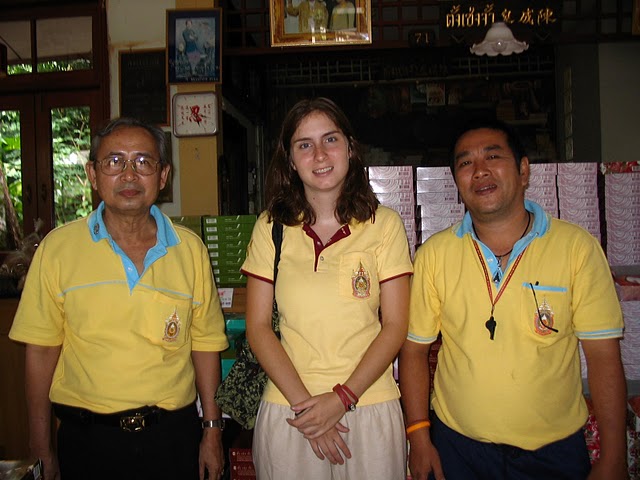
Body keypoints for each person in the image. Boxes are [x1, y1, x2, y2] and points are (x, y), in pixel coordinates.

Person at [399, 118, 628, 480]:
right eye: (465, 162)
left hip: (553, 454)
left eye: (493, 156)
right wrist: (418, 435)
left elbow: (603, 356)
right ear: (457, 182)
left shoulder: (576, 248)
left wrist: (614, 455)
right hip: (458, 449)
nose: (479, 171)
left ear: (523, 171)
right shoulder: (435, 254)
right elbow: (414, 350)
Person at [9, 117, 229, 480]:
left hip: (173, 439)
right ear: (93, 175)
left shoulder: (190, 250)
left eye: (143, 161)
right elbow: (42, 351)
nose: (129, 175)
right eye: (114, 162)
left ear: (163, 175)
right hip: (87, 441)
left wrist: (212, 430)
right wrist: (41, 448)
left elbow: (205, 345)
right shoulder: (58, 249)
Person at [241, 97, 412, 479]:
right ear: (290, 159)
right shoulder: (271, 227)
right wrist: (308, 409)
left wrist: (341, 399)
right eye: (304, 144)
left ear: (350, 148)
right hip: (290, 408)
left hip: (368, 402)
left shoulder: (384, 224)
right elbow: (258, 327)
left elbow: (395, 325)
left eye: (330, 139)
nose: (319, 154)